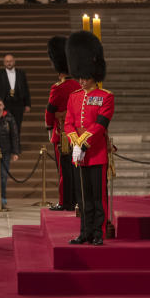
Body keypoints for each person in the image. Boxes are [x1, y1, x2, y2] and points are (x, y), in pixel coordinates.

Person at [65, 31, 114, 246]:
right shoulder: (74, 97)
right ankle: (84, 231)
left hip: (96, 154)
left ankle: (98, 232)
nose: (82, 81)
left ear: (94, 75)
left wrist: (82, 142)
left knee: (98, 198)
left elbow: (100, 125)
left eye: (85, 77)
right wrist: (75, 142)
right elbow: (68, 123)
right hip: (79, 155)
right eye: (80, 77)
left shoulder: (106, 97)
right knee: (82, 198)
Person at [44, 36, 82, 212]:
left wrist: (49, 127)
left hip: (61, 134)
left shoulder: (58, 87)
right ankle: (75, 199)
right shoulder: (79, 85)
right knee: (75, 169)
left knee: (63, 171)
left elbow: (50, 111)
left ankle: (64, 201)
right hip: (78, 132)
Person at [0, 53, 32, 131]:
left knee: (17, 126)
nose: (9, 63)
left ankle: (16, 143)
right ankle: (6, 143)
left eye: (10, 61)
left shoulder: (21, 73)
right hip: (4, 104)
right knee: (4, 127)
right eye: (7, 61)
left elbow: (26, 89)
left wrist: (27, 104)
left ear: (14, 62)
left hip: (18, 104)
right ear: (4, 63)